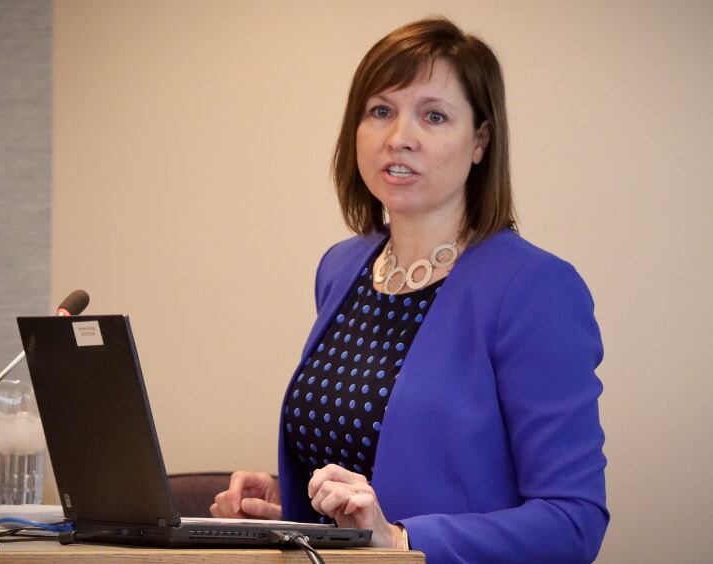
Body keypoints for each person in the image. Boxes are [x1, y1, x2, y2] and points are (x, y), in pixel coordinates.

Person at [211, 17, 608, 563]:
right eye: (381, 111)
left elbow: (573, 522)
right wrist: (294, 506)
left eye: (434, 115)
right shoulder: (342, 267)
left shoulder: (535, 289)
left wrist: (402, 541)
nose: (400, 137)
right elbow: (382, 467)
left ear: (480, 141)